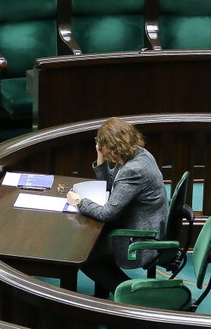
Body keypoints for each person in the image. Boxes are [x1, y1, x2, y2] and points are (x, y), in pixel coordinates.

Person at [66, 118, 168, 297]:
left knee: (84, 254)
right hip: (136, 224)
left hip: (139, 239)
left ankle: (130, 293)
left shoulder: (134, 170)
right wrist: (100, 159)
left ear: (111, 147)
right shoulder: (138, 154)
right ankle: (112, 292)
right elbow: (112, 184)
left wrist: (79, 202)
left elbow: (107, 214)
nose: (98, 146)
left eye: (100, 144)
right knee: (90, 243)